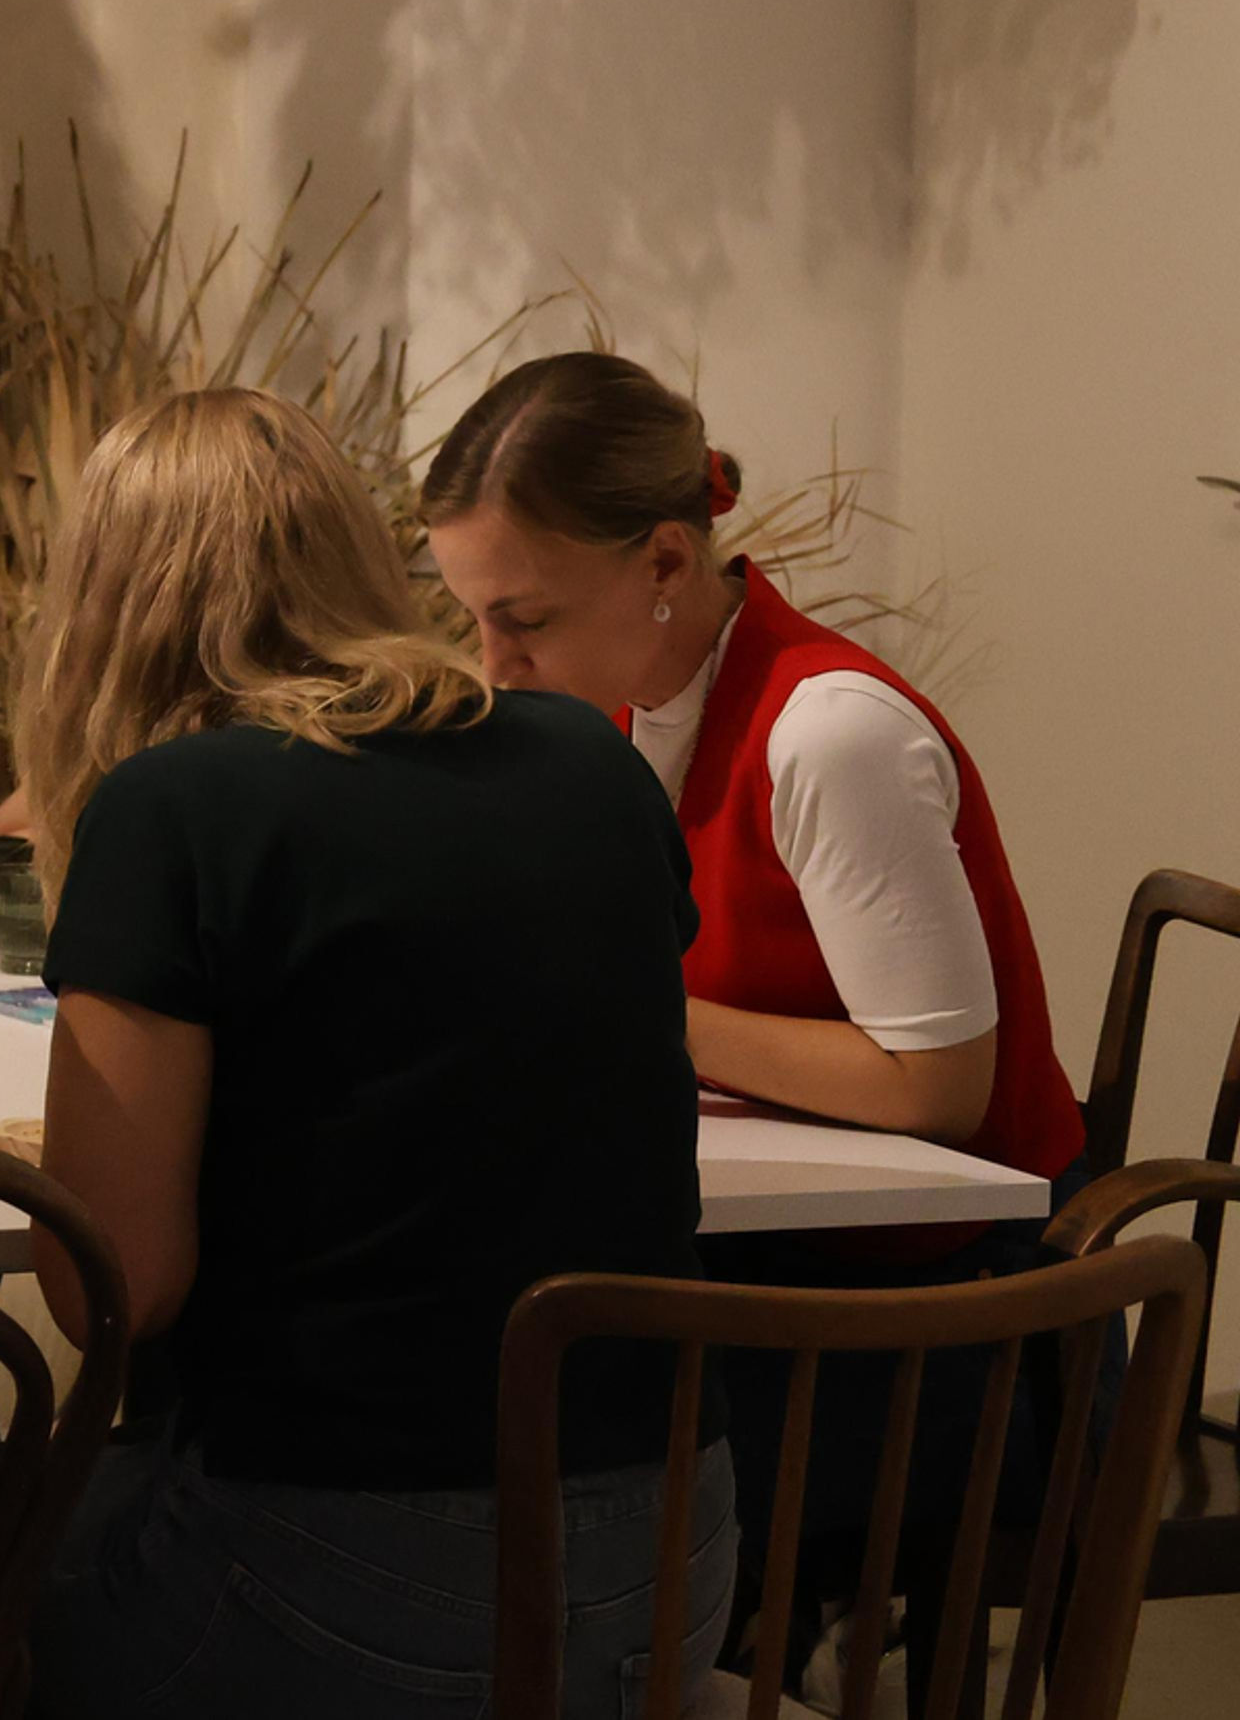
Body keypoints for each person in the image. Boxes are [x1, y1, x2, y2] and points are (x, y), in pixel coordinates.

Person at [23, 388, 726, 1720]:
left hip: (351, 1579)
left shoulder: (172, 806)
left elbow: (111, 1288)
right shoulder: (592, 760)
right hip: (669, 1565)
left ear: (103, 607)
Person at [420, 351, 1087, 1648]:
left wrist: (615, 1005)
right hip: (788, 1263)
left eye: (523, 618)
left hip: (960, 1318)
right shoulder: (630, 703)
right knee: (460, 1371)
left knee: (526, 1459)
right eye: (473, 617)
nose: (491, 664)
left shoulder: (828, 733)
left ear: (666, 562)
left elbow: (937, 1087)